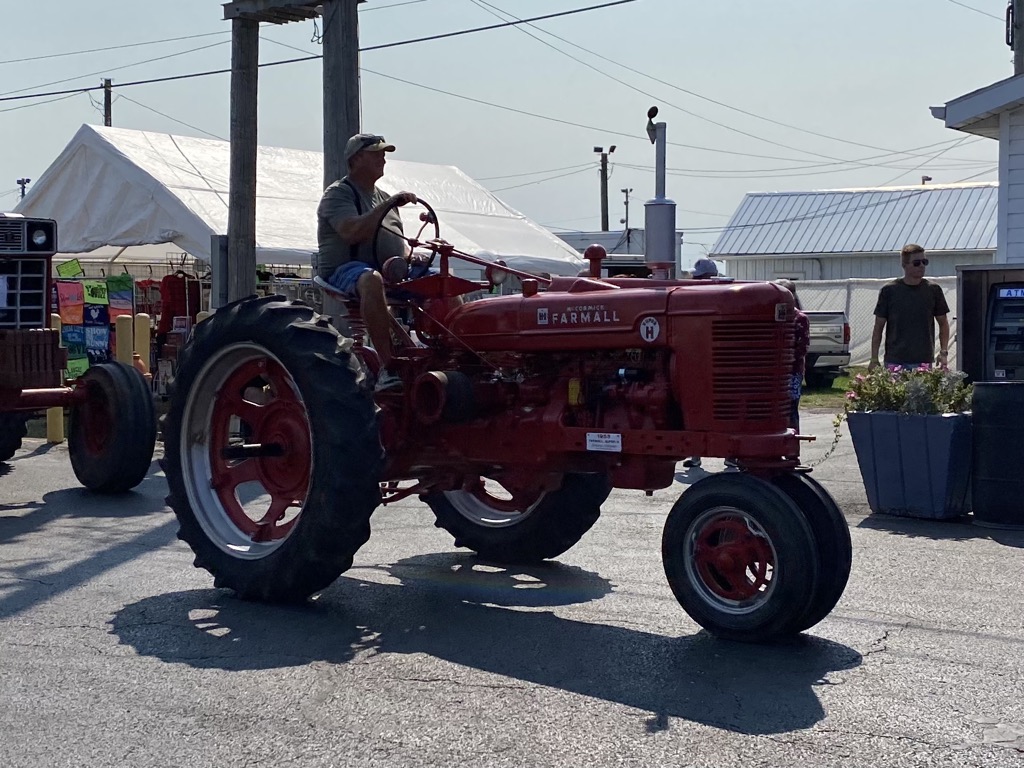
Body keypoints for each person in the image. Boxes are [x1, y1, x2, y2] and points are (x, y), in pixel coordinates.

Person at [316, 132, 420, 391]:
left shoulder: (383, 197)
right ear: (357, 158)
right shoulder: (339, 193)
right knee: (370, 279)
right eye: (377, 153)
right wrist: (390, 204)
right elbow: (352, 232)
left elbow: (395, 240)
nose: (383, 159)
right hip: (347, 271)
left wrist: (410, 255)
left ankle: (452, 357)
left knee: (441, 279)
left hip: (388, 270)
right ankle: (388, 368)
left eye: (384, 153)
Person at [869, 244, 950, 372]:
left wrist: (943, 352)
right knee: (894, 392)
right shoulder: (889, 291)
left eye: (925, 262)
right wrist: (874, 359)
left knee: (921, 392)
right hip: (895, 360)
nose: (922, 266)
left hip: (923, 361)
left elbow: (943, 323)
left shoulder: (933, 290)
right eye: (917, 263)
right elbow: (878, 327)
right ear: (904, 265)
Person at [683, 258, 719, 469]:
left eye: (698, 277)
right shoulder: (696, 297)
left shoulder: (713, 297)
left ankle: (730, 456)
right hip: (697, 362)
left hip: (707, 363)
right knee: (695, 409)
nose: (695, 280)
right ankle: (695, 454)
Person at [775, 279, 809, 434]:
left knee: (790, 408)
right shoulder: (772, 317)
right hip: (775, 372)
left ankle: (792, 445)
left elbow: (802, 348)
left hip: (792, 372)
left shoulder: (800, 318)